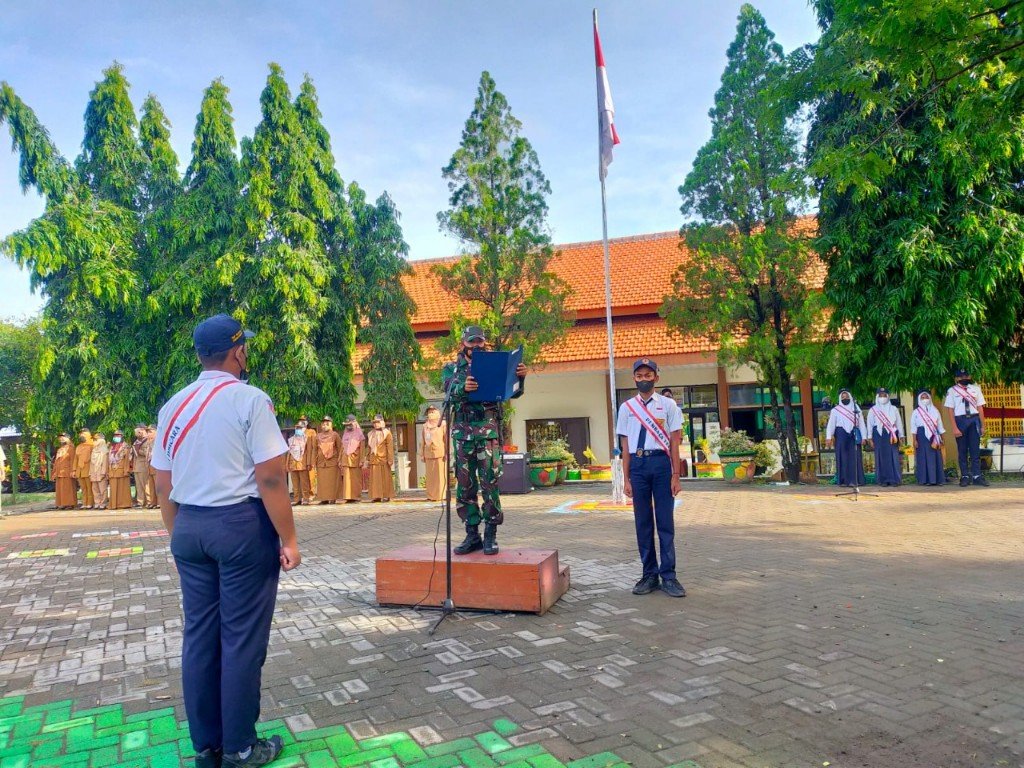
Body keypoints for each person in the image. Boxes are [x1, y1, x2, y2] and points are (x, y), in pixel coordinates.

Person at [152, 313, 300, 768]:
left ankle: (207, 747)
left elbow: (162, 483)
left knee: (200, 638)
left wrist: (179, 538)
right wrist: (289, 539)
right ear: (238, 351)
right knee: (240, 640)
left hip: (189, 526)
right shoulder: (250, 400)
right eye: (245, 348)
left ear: (199, 355)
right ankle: (239, 748)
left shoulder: (172, 405)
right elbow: (271, 479)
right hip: (239, 528)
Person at [443, 325, 527, 556]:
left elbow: (513, 392)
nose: (476, 346)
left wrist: (519, 377)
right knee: (465, 485)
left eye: (480, 341)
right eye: (472, 342)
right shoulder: (451, 369)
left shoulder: (496, 365)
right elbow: (447, 391)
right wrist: (463, 387)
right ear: (463, 344)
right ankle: (472, 534)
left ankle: (490, 533)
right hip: (462, 435)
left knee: (490, 483)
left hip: (487, 433)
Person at [616, 358, 685, 598]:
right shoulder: (626, 408)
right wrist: (626, 479)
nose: (644, 379)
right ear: (634, 378)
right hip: (638, 466)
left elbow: (675, 443)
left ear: (656, 377)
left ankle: (669, 576)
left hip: (661, 465)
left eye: (648, 375)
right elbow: (625, 447)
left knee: (665, 522)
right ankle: (649, 575)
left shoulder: (668, 406)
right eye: (639, 375)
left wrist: (676, 475)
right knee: (643, 523)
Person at [944, 367, 989, 487]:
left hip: (974, 420)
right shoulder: (952, 391)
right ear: (957, 378)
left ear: (970, 377)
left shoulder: (976, 389)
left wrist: (983, 426)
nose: (964, 378)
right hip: (960, 421)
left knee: (975, 450)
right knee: (962, 450)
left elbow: (980, 408)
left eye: (966, 376)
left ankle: (977, 476)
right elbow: (950, 410)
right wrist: (954, 428)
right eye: (961, 376)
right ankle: (964, 476)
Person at [825, 388, 867, 487]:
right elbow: (831, 424)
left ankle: (856, 480)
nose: (845, 398)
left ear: (850, 396)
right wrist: (828, 437)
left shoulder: (856, 408)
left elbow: (861, 423)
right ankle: (844, 480)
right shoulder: (835, 410)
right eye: (843, 397)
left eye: (846, 396)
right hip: (841, 434)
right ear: (840, 398)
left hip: (854, 433)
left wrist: (864, 437)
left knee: (855, 457)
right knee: (843, 457)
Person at [866, 387, 904, 487]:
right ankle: (882, 480)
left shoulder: (893, 408)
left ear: (888, 397)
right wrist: (870, 437)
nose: (882, 397)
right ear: (877, 397)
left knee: (893, 456)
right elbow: (869, 424)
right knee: (880, 456)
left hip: (891, 434)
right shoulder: (873, 410)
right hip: (878, 434)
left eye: (884, 395)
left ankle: (894, 480)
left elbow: (899, 423)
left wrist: (901, 435)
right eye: (880, 395)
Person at [910, 390, 946, 486]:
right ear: (919, 399)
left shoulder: (935, 410)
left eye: (926, 397)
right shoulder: (916, 412)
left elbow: (940, 426)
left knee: (935, 458)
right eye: (923, 398)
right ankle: (924, 480)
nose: (925, 399)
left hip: (934, 436)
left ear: (930, 398)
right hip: (921, 436)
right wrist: (914, 440)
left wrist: (942, 439)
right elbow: (913, 428)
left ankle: (936, 479)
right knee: (923, 458)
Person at [421, 406, 447, 502]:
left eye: (433, 411)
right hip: (428, 453)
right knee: (430, 476)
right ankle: (430, 495)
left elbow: (446, 439)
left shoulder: (442, 424)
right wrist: (422, 454)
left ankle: (440, 495)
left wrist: (447, 452)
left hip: (440, 452)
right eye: (429, 412)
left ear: (438, 412)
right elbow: (423, 441)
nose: (430, 413)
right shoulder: (425, 426)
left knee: (440, 476)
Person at [314, 416, 343, 504]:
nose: (325, 425)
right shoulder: (318, 436)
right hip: (321, 462)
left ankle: (332, 498)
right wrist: (313, 461)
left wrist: (339, 459)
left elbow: (340, 448)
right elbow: (315, 450)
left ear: (331, 425)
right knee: (322, 482)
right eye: (323, 424)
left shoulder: (335, 435)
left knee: (332, 481)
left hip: (332, 462)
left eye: (327, 423)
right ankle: (323, 499)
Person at [367, 415, 395, 502]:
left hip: (383, 459)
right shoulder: (370, 433)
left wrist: (390, 459)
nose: (376, 424)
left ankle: (387, 495)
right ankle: (376, 496)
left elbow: (389, 447)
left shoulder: (387, 433)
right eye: (374, 423)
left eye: (378, 422)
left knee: (385, 478)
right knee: (375, 479)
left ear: (382, 422)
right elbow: (369, 447)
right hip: (373, 459)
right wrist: (367, 458)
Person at [286, 417, 313, 505]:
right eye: (297, 428)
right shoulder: (291, 439)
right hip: (293, 464)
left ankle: (306, 498)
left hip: (303, 463)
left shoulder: (306, 439)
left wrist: (309, 463)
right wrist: (287, 464)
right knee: (295, 483)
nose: (298, 430)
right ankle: (297, 499)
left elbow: (309, 452)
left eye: (300, 428)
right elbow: (289, 453)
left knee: (304, 482)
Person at [340, 415, 365, 503]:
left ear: (354, 423)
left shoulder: (359, 434)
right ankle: (348, 497)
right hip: (345, 459)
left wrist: (362, 460)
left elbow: (362, 448)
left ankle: (356, 497)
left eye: (350, 424)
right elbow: (342, 448)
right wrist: (340, 459)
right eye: (347, 425)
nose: (348, 426)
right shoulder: (345, 433)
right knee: (347, 479)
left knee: (355, 479)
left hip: (356, 460)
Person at [107, 430, 133, 509]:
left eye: (118, 435)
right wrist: (108, 471)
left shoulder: (125, 446)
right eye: (115, 435)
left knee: (123, 488)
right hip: (112, 470)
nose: (116, 437)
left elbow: (127, 460)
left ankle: (124, 504)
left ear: (122, 436)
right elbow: (108, 460)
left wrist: (126, 470)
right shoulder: (111, 447)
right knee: (113, 488)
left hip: (122, 469)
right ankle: (114, 505)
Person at [132, 424, 155, 509]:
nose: (137, 433)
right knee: (138, 485)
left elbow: (147, 453)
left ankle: (149, 501)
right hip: (136, 465)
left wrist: (138, 450)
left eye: (139, 431)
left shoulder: (147, 441)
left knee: (145, 484)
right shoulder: (136, 442)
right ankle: (140, 502)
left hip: (143, 465)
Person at [52, 433, 77, 510]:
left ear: (68, 438)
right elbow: (56, 462)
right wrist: (54, 472)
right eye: (60, 438)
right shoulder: (60, 449)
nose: (61, 439)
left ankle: (69, 503)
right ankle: (61, 503)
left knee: (68, 488)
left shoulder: (71, 448)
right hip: (59, 472)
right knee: (60, 488)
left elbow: (73, 460)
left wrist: (73, 470)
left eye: (63, 437)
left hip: (67, 471)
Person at [74, 429, 95, 509]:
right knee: (83, 488)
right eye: (81, 434)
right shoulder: (78, 447)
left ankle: (90, 503)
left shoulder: (92, 446)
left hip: (88, 469)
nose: (82, 436)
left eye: (84, 434)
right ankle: (84, 503)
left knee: (89, 487)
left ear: (89, 435)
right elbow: (76, 459)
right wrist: (74, 470)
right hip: (79, 470)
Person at [89, 432, 110, 510]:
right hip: (93, 472)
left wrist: (103, 473)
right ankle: (97, 502)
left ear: (101, 440)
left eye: (96, 440)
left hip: (101, 472)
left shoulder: (104, 450)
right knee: (95, 489)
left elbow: (105, 463)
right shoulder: (94, 450)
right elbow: (91, 463)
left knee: (103, 489)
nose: (95, 442)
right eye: (94, 440)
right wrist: (90, 473)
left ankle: (103, 503)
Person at [145, 426, 159, 507]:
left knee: (157, 485)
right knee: (151, 486)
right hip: (149, 466)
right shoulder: (149, 442)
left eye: (150, 432)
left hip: (156, 466)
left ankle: (159, 502)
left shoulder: (158, 441)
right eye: (148, 432)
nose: (148, 434)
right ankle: (153, 502)